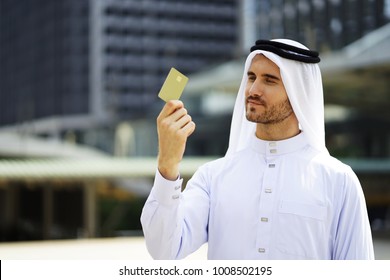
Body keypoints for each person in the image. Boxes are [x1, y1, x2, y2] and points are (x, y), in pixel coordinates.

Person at [140, 39, 375, 260]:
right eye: (251, 77)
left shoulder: (338, 181)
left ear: (299, 93)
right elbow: (164, 249)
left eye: (269, 80)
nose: (253, 89)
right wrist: (168, 165)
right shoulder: (213, 177)